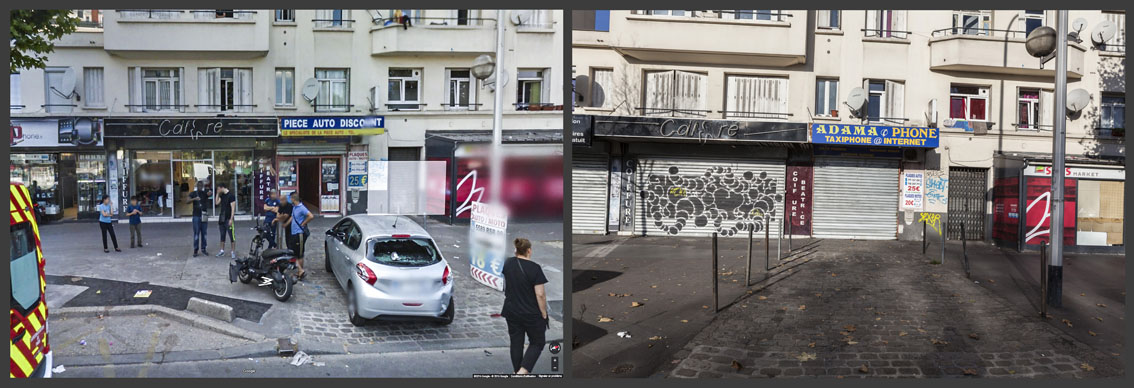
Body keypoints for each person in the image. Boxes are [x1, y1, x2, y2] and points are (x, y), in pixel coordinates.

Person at [500, 238, 549, 374]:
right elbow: (540, 295)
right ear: (529, 250)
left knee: (516, 343)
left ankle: (518, 372)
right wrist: (544, 313)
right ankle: (521, 374)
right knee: (537, 342)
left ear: (516, 250)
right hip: (531, 313)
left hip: (511, 310)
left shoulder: (508, 263)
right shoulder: (535, 268)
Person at [287, 191, 314, 280]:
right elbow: (292, 217)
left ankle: (301, 272)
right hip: (294, 233)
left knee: (300, 254)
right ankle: (300, 271)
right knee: (294, 252)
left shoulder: (301, 208)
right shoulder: (294, 207)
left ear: (293, 199)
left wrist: (303, 223)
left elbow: (310, 216)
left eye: (290, 198)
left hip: (300, 234)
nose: (289, 200)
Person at [215, 182, 237, 259]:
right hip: (222, 218)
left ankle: (233, 251)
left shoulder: (231, 196)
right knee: (222, 235)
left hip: (228, 218)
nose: (218, 190)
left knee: (232, 236)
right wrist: (217, 194)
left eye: (218, 188)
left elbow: (233, 208)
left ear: (222, 187)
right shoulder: (222, 196)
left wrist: (231, 219)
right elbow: (216, 202)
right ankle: (222, 250)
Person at [188, 181, 210, 257]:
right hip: (196, 216)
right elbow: (187, 201)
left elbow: (209, 195)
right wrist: (194, 199)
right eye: (199, 185)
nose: (200, 187)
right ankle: (195, 249)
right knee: (196, 233)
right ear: (197, 186)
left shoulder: (204, 193)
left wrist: (210, 192)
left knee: (204, 233)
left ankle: (203, 249)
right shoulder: (193, 193)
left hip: (203, 215)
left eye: (202, 186)